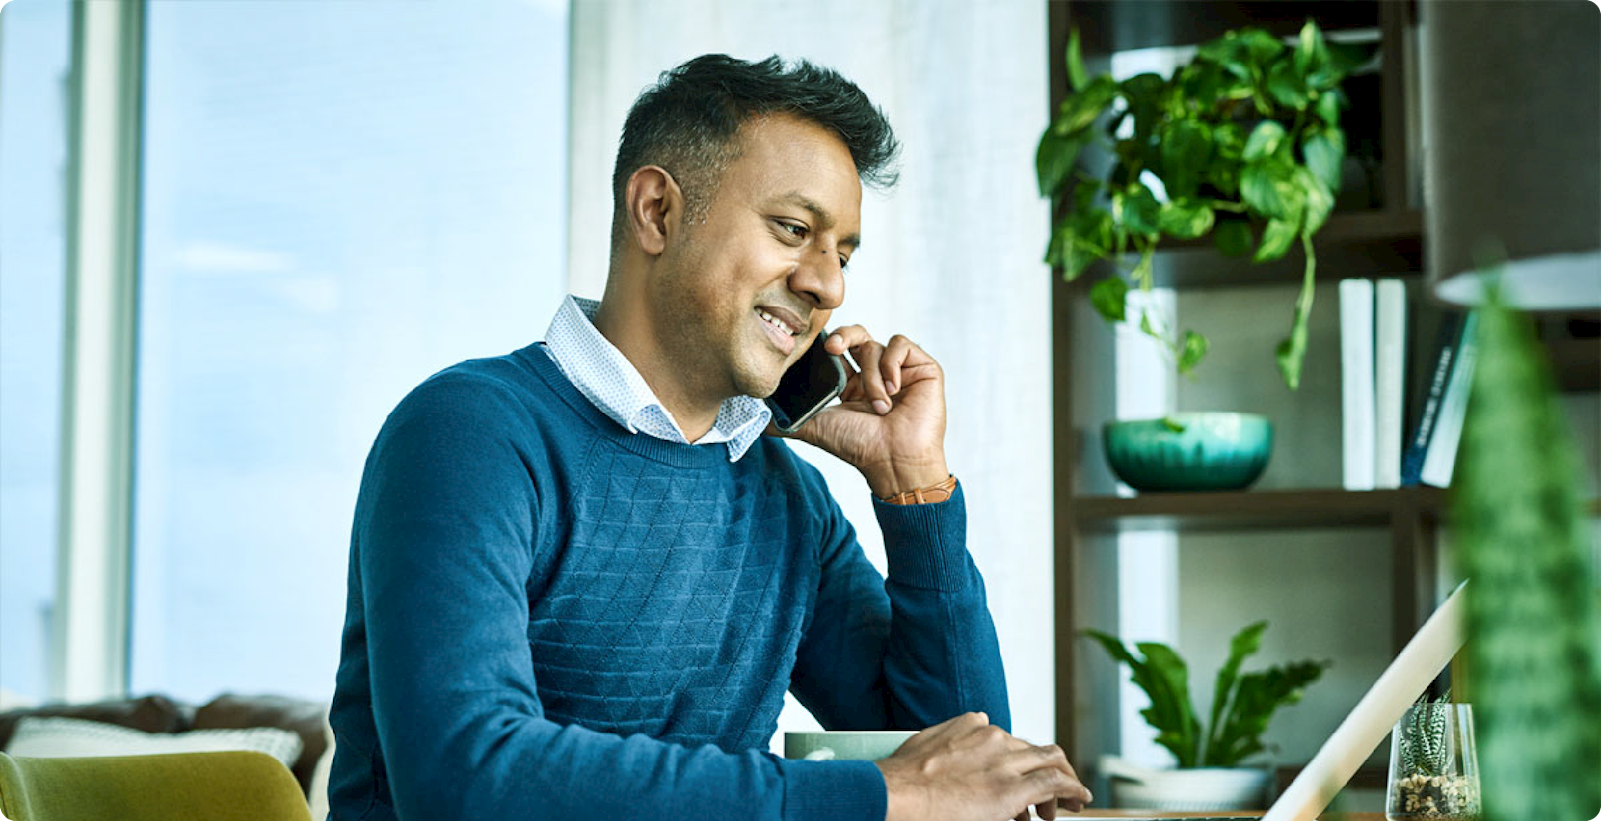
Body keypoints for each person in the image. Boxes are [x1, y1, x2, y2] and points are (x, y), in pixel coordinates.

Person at [327, 53, 1092, 821]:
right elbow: (468, 775)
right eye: (794, 230)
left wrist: (912, 486)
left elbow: (961, 770)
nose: (827, 284)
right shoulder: (468, 433)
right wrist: (887, 791)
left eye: (842, 254)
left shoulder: (786, 494)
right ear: (657, 210)